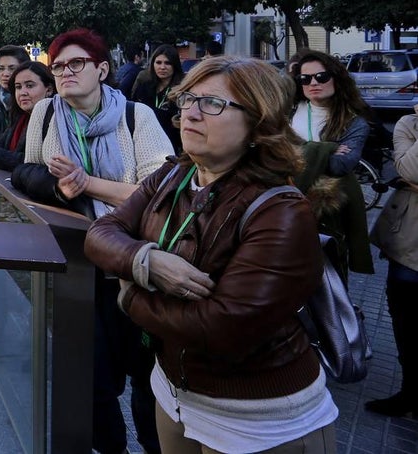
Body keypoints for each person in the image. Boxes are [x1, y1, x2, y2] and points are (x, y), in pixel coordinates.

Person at [85, 56, 337, 453]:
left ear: (259, 124)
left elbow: (222, 328)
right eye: (188, 99)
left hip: (257, 417)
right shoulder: (174, 174)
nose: (191, 114)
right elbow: (100, 233)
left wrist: (128, 293)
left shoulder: (281, 210)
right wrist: (145, 261)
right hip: (174, 392)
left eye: (213, 104)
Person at [12, 28, 172, 454]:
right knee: (94, 379)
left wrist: (87, 183)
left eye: (76, 63)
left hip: (133, 266)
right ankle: (111, 448)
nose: (65, 72)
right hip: (78, 264)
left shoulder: (137, 117)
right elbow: (26, 172)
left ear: (102, 69)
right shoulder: (45, 113)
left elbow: (160, 190)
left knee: (147, 375)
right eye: (58, 65)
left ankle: (154, 445)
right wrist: (58, 187)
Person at [290, 50, 373, 281]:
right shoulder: (287, 110)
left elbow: (340, 165)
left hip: (325, 216)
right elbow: (268, 150)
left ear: (336, 77)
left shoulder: (354, 122)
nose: (313, 82)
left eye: (321, 76)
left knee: (326, 282)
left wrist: (293, 151)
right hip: (282, 204)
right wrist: (326, 148)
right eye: (305, 79)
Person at [366, 103, 418, 418]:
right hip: (409, 243)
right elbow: (409, 171)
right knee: (406, 323)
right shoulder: (408, 124)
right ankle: (411, 392)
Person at [132, 45, 185, 152]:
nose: (162, 67)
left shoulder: (182, 91)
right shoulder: (144, 87)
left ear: (175, 65)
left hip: (170, 147)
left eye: (168, 63)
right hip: (143, 144)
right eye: (158, 62)